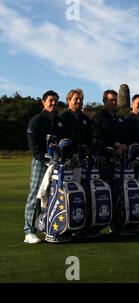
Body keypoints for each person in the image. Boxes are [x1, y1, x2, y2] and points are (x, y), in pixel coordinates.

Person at [24, 90, 65, 243]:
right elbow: (33, 145)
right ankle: (29, 231)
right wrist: (44, 159)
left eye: (55, 100)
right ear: (43, 102)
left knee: (53, 196)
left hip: (57, 163)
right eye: (50, 100)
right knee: (35, 195)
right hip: (41, 163)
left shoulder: (60, 121)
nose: (53, 103)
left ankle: (48, 227)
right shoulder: (36, 120)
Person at [91, 90, 127, 184]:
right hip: (103, 161)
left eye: (116, 100)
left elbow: (126, 136)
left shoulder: (121, 119)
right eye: (111, 100)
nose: (114, 102)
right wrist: (116, 146)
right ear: (104, 101)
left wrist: (124, 146)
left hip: (120, 161)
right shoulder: (98, 118)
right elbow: (97, 138)